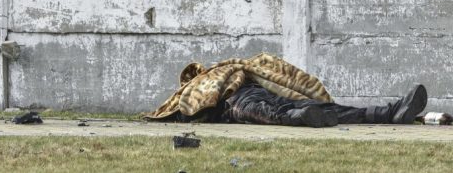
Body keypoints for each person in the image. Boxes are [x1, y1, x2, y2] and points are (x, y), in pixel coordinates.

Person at [177, 83, 428, 128]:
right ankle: (386, 113)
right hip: (251, 97)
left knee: (269, 112)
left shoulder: (205, 85)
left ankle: (392, 112)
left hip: (250, 97)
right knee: (273, 112)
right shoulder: (195, 90)